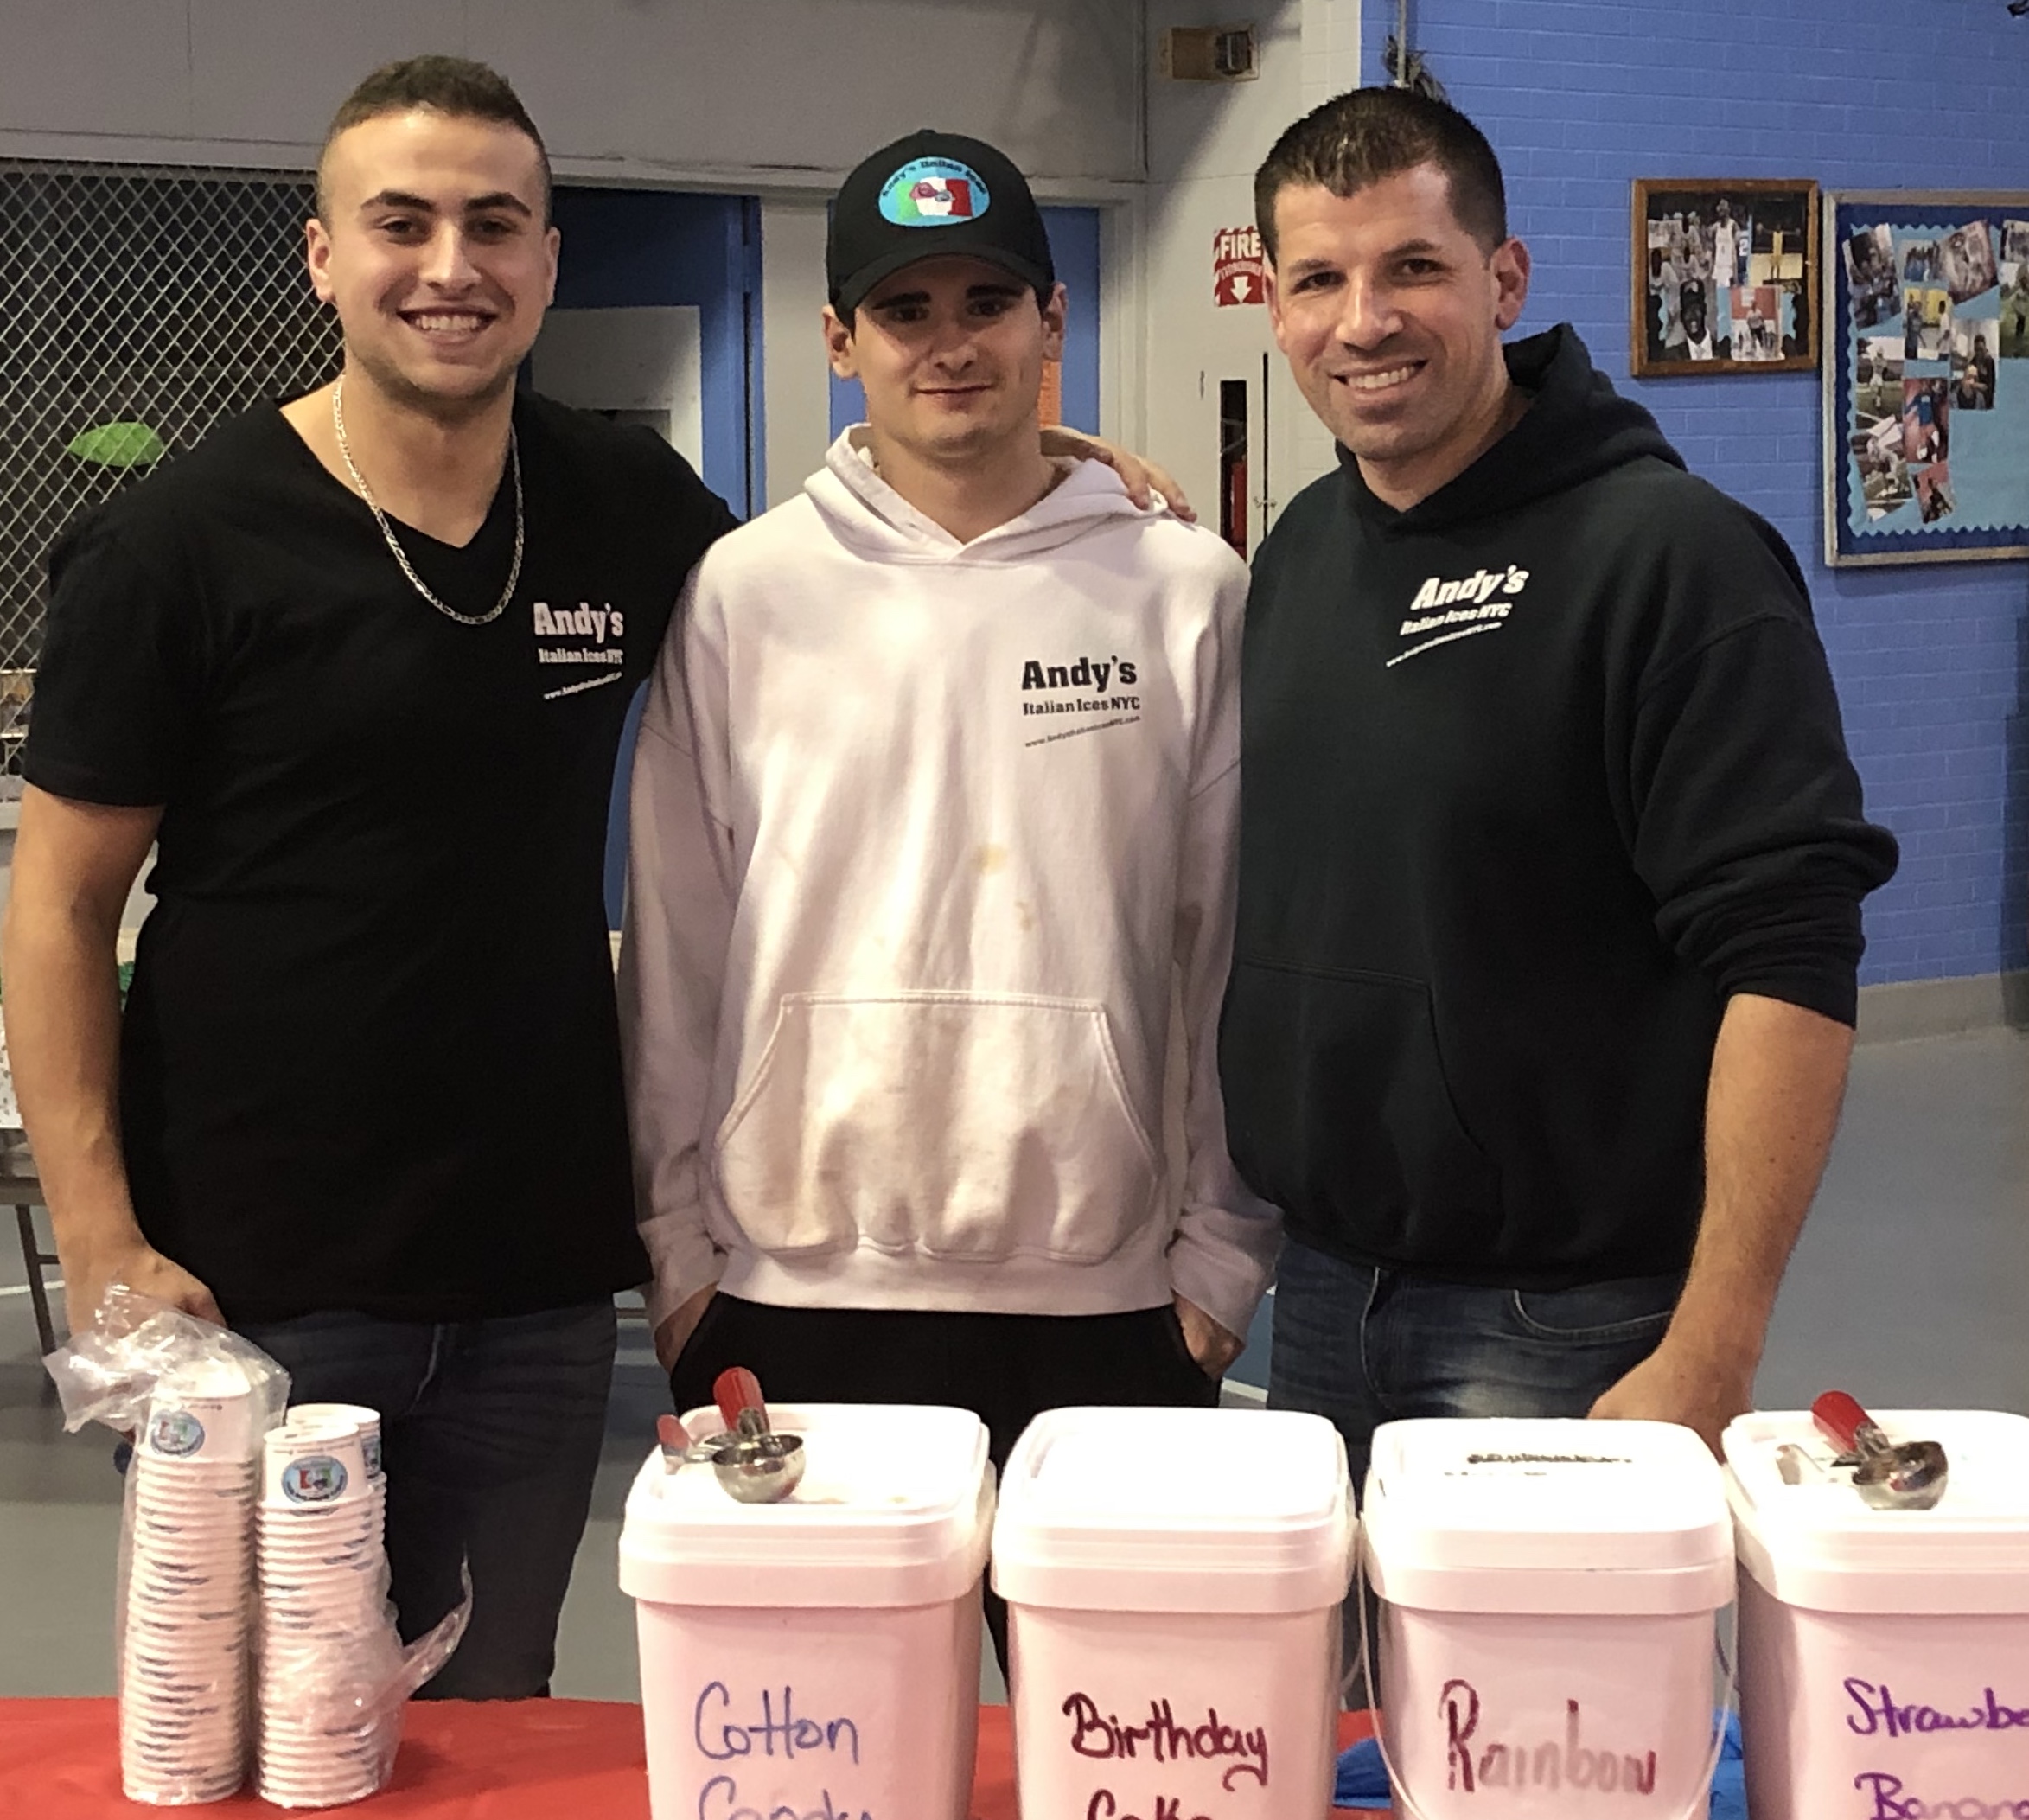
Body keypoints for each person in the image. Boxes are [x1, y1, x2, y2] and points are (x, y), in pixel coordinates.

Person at [4, 65, 1177, 1699]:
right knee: (255, 1744)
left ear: (549, 260)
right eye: (399, 224)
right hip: (256, 1272)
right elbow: (56, 904)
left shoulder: (623, 508)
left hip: (536, 1283)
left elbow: (870, 566)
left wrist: (1042, 472)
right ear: (320, 257)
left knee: (491, 1736)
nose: (450, 265)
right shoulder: (179, 547)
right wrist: (103, 1237)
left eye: (494, 224)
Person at [622, 131, 1279, 1656]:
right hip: (790, 1296)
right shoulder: (745, 594)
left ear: (1054, 324)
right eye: (905, 309)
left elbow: (1230, 941)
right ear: (839, 338)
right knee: (822, 1788)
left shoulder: (1186, 590)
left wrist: (1219, 1261)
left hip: (1112, 1303)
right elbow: (680, 948)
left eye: (988, 300)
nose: (951, 342)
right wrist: (680, 1266)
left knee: (1119, 1775)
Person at [1218, 87, 1898, 1499]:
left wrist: (1718, 1336)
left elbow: (1789, 955)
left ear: (1504, 277)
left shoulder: (1671, 558)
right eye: (1319, 280)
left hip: (1563, 1319)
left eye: (1414, 266)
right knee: (1342, 1714)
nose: (1365, 322)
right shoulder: (1294, 554)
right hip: (1327, 1297)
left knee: (1546, 1725)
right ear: (1274, 308)